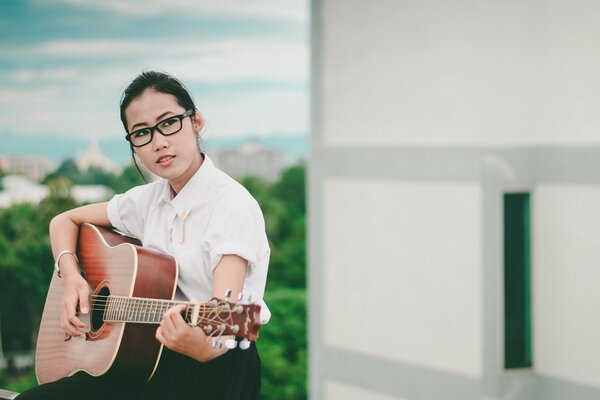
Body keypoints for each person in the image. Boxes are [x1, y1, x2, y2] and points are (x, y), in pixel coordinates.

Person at [16, 71, 270, 400]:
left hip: (213, 369)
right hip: (143, 357)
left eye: (169, 123)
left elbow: (223, 323)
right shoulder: (147, 200)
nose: (158, 142)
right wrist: (72, 277)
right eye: (142, 133)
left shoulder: (232, 207)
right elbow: (64, 220)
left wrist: (202, 346)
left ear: (196, 123)